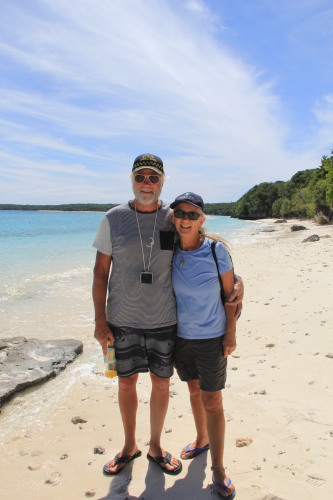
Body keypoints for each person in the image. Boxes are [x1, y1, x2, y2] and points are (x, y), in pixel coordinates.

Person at [92, 154, 243, 478]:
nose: (146, 183)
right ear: (131, 180)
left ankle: (156, 446)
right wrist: (100, 322)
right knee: (125, 383)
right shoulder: (112, 218)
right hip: (121, 320)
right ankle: (130, 445)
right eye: (140, 177)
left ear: (163, 182)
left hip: (164, 321)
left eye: (153, 178)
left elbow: (199, 247)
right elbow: (100, 272)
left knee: (162, 385)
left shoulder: (170, 218)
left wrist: (237, 287)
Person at [171, 192, 237, 498]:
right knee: (194, 390)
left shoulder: (216, 251)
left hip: (212, 337)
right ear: (173, 217)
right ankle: (201, 439)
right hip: (180, 337)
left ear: (202, 219)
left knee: (213, 400)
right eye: (180, 213)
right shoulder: (167, 247)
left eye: (192, 214)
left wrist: (230, 332)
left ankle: (219, 468)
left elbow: (231, 295)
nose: (186, 219)